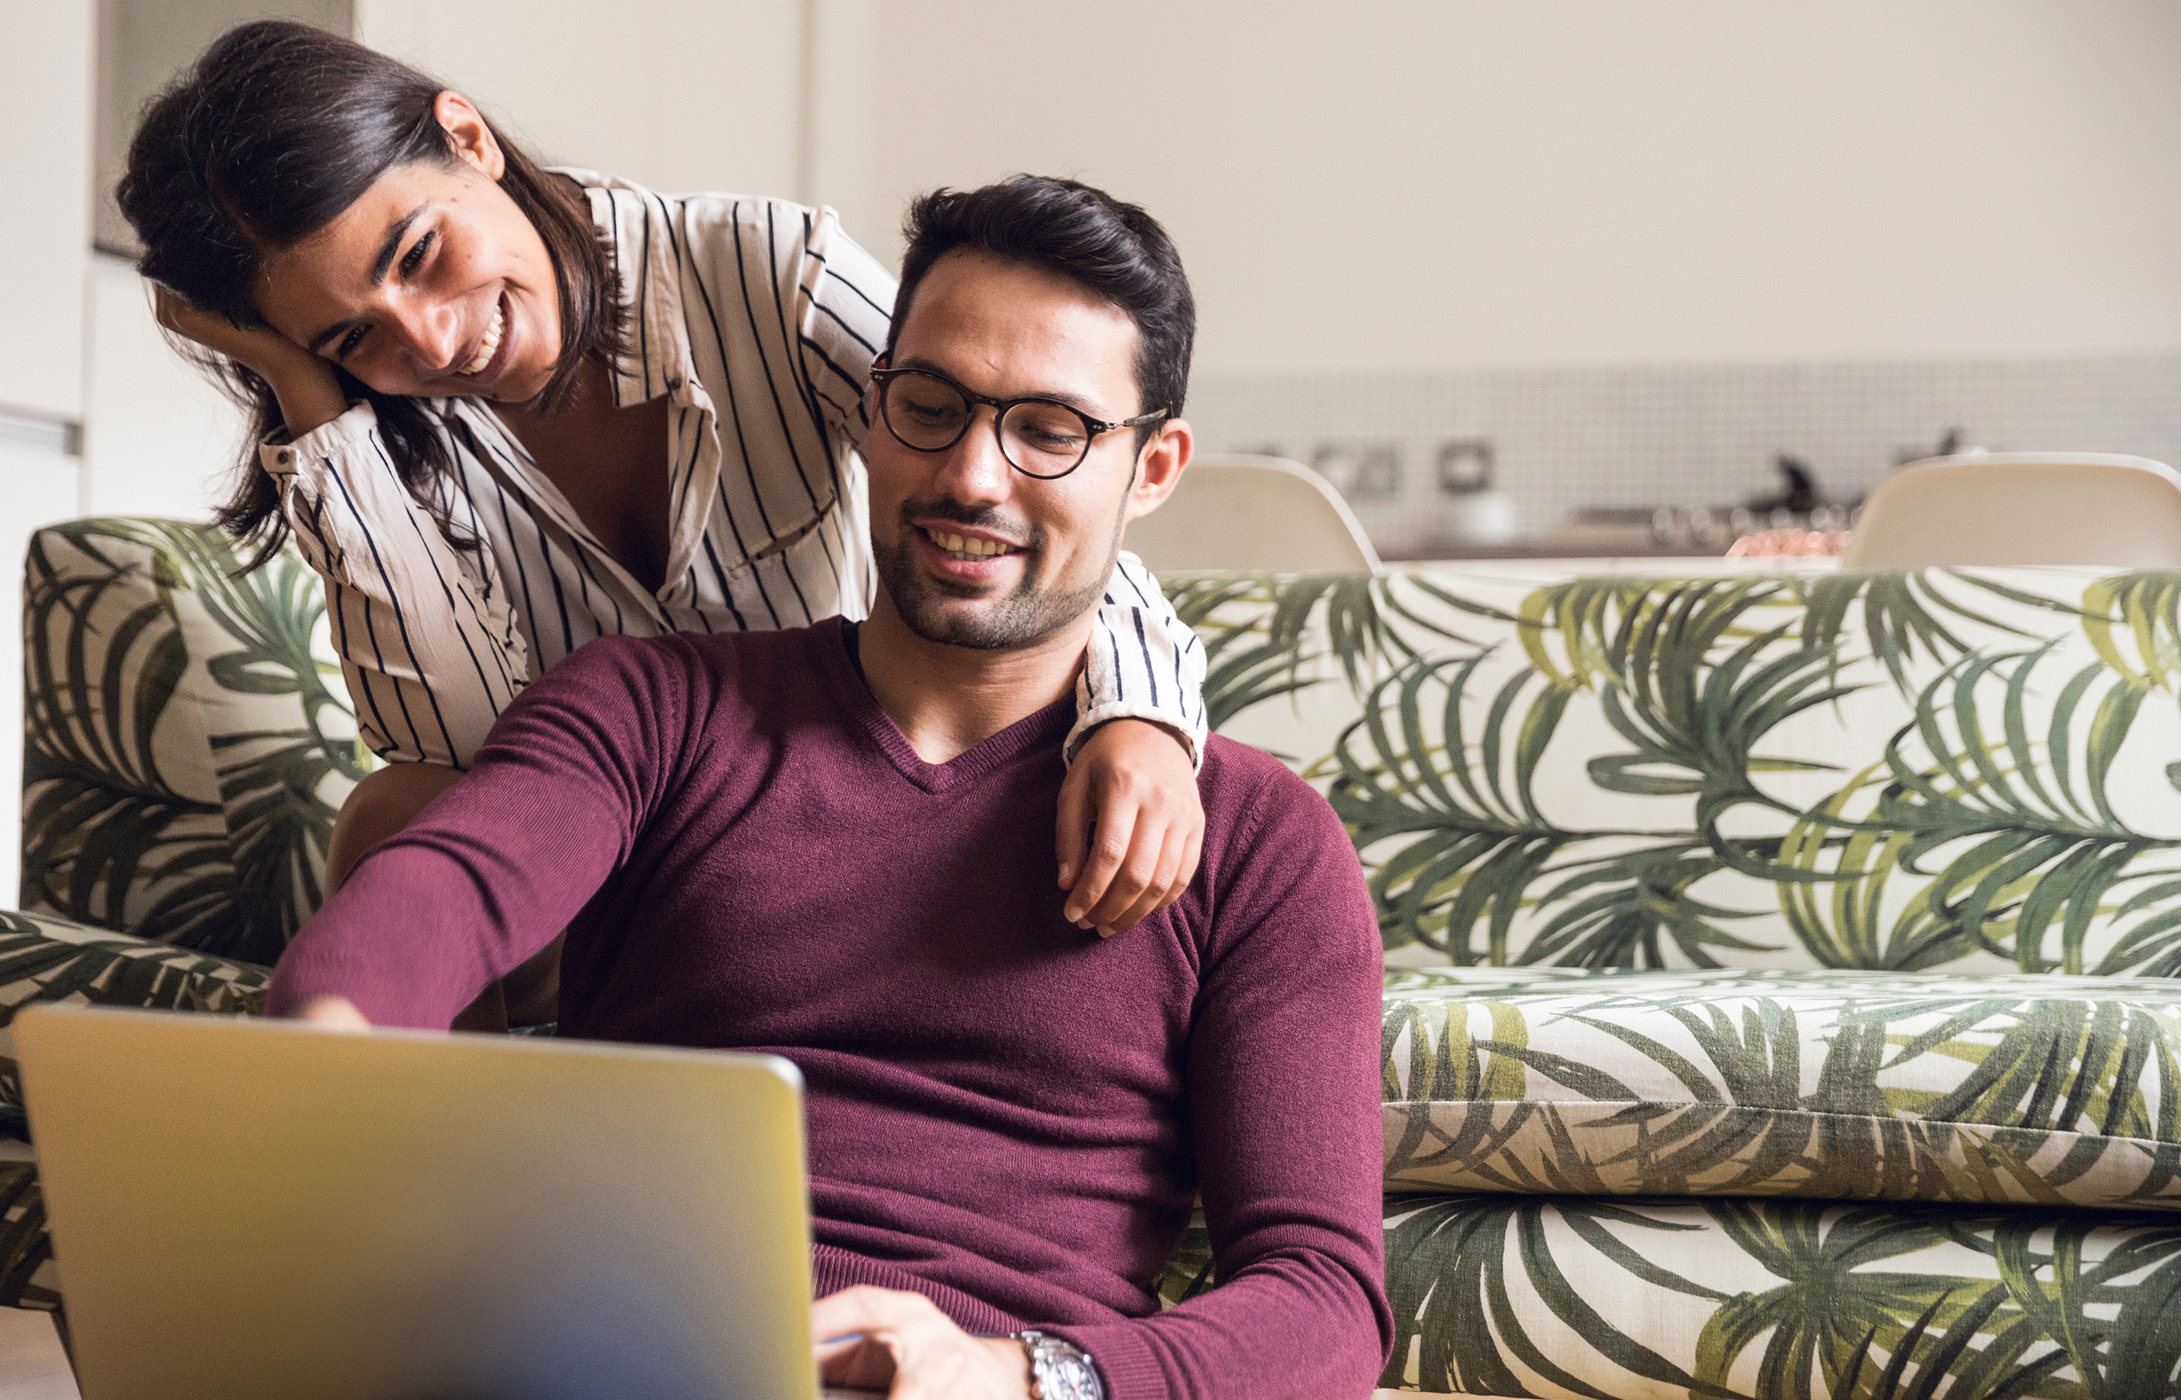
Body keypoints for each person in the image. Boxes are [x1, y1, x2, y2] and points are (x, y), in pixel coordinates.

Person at [269, 175, 1390, 1400]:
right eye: (931, 406)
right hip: (644, 1358)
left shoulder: (1259, 841)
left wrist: (1017, 1375)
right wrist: (333, 1040)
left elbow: (1323, 1300)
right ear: (868, 412)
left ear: (1154, 464)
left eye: (1050, 430)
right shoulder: (654, 709)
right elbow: (447, 886)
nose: (971, 476)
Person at [114, 22, 1210, 1024]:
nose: (436, 342)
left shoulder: (764, 277)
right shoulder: (392, 428)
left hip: (837, 811)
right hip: (592, 854)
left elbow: (1009, 476)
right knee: (398, 814)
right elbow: (459, 756)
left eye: (419, 255)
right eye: (352, 335)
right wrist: (311, 394)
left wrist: (1142, 721)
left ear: (467, 137)